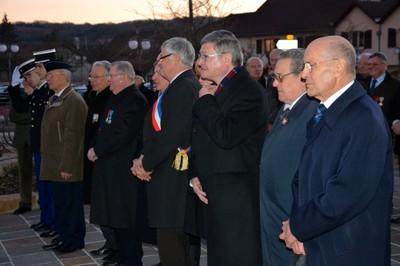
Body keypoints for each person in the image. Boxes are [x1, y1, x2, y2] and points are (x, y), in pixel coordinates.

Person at [280, 36, 393, 265]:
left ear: (339, 67)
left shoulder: (363, 117)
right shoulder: (325, 111)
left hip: (348, 251)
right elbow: (305, 178)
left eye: (311, 66)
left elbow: (347, 193)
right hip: (323, 240)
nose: (304, 74)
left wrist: (299, 225)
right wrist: (302, 228)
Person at [190, 29, 268, 265]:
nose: (199, 62)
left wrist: (205, 101)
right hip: (217, 188)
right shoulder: (221, 87)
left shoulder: (248, 91)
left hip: (236, 195)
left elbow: (226, 135)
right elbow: (202, 137)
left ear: (226, 59)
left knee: (236, 256)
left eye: (205, 56)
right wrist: (195, 174)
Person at [132, 37, 200, 266]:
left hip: (172, 180)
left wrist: (145, 163)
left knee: (174, 249)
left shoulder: (184, 86)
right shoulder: (178, 87)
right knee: (174, 247)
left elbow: (172, 135)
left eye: (162, 57)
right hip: (167, 176)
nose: (158, 63)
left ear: (176, 58)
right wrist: (143, 159)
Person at [259, 48, 318, 266]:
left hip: (290, 219)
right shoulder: (288, 109)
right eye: (273, 77)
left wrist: (300, 222)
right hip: (274, 215)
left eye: (279, 78)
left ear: (302, 76)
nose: (274, 84)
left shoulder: (313, 112)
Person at [89, 61, 149, 266]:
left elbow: (122, 134)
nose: (108, 81)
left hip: (123, 173)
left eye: (111, 77)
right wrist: (96, 147)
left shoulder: (135, 100)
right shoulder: (118, 98)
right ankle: (121, 257)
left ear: (123, 77)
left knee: (125, 220)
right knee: (116, 220)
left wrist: (98, 150)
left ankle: (130, 260)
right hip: (111, 170)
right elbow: (104, 129)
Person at [40, 60, 88, 253]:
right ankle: (63, 236)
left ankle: (73, 240)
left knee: (70, 205)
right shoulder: (56, 98)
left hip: (66, 166)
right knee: (61, 204)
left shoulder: (73, 101)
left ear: (63, 77)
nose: (47, 79)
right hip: (56, 164)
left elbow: (73, 137)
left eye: (51, 75)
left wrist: (67, 166)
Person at [82, 60, 117, 264]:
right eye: (91, 77)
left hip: (104, 159)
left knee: (108, 206)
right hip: (92, 157)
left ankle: (115, 245)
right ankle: (109, 242)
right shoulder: (93, 96)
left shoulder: (110, 98)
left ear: (108, 78)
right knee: (99, 206)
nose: (92, 80)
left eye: (96, 77)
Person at [8, 63, 33, 215]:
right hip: (22, 139)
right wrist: (26, 117)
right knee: (24, 172)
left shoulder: (38, 94)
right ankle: (25, 202)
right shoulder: (19, 96)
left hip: (36, 138)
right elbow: (13, 116)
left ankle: (45, 201)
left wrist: (24, 116)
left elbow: (31, 115)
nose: (25, 82)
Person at [246, 56, 281, 131]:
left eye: (259, 66)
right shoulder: (242, 86)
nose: (257, 69)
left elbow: (279, 105)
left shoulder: (273, 84)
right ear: (247, 69)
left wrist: (269, 121)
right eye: (253, 67)